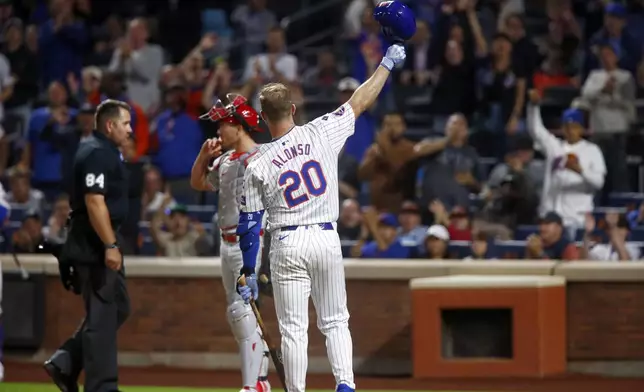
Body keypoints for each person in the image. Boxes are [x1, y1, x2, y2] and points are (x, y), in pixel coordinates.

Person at [234, 43, 406, 392]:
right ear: (293, 109)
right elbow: (359, 101)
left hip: (286, 240)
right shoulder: (321, 131)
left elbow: (251, 225)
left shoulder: (256, 162)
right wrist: (386, 64)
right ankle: (345, 384)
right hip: (326, 237)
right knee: (336, 320)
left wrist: (248, 270)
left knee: (293, 330)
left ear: (264, 117)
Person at [43, 99, 132, 392]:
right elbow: (94, 201)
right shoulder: (96, 153)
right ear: (110, 125)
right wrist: (109, 244)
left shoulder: (104, 151)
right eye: (126, 124)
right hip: (94, 246)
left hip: (98, 241)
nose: (130, 130)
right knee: (102, 317)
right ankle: (102, 388)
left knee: (118, 307)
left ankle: (66, 361)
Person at [190, 94, 271, 392]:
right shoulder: (224, 160)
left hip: (250, 241)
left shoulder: (263, 155)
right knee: (239, 313)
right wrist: (203, 157)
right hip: (226, 244)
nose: (219, 132)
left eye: (224, 125)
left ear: (239, 126)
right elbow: (198, 183)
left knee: (242, 310)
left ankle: (252, 385)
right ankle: (260, 381)